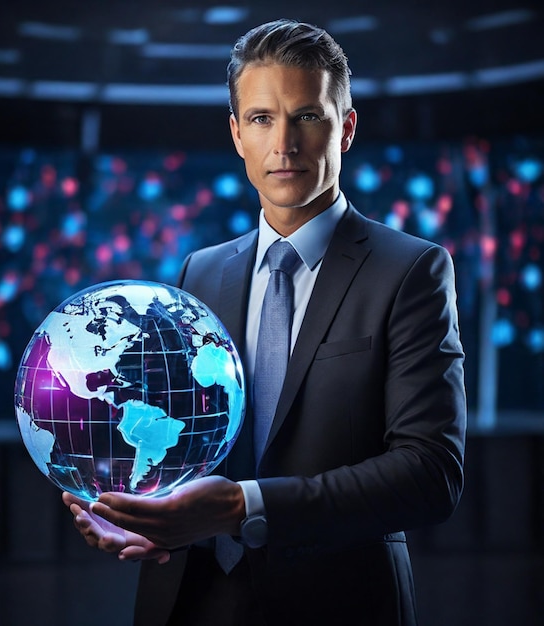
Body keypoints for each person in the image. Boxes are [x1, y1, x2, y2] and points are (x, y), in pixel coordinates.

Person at [63, 19, 466, 625]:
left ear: (346, 128)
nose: (285, 144)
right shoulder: (200, 272)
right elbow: (188, 445)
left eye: (307, 116)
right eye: (261, 118)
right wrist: (148, 520)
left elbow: (431, 473)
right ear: (236, 134)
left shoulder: (411, 271)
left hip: (340, 605)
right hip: (188, 601)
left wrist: (238, 507)